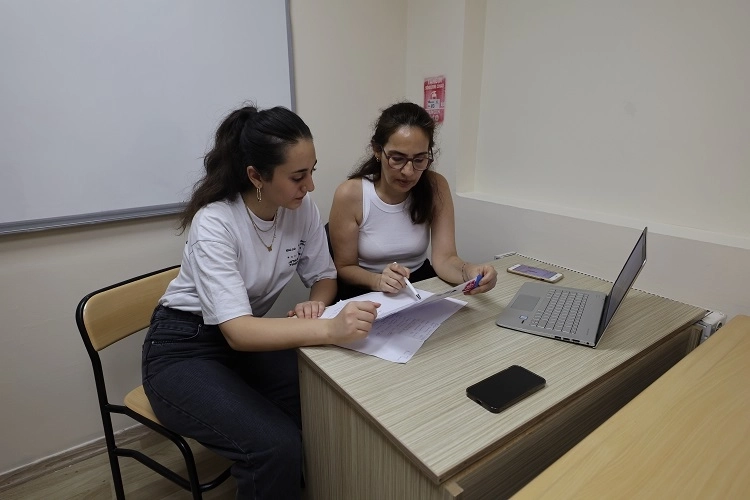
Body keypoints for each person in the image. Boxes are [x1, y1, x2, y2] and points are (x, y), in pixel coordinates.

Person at [141, 104, 379, 499]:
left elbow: (324, 277)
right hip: (182, 348)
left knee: (320, 396)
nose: (310, 186)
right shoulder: (216, 222)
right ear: (256, 176)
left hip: (243, 338)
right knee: (274, 446)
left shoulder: (300, 210)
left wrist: (317, 305)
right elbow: (238, 332)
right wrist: (329, 329)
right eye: (297, 176)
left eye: (312, 171)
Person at [328, 101, 498, 300]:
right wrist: (378, 280)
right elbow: (345, 267)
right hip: (366, 288)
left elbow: (445, 259)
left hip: (420, 285)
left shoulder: (436, 186)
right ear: (377, 150)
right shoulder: (351, 194)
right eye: (397, 158)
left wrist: (470, 272)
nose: (408, 172)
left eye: (419, 160)